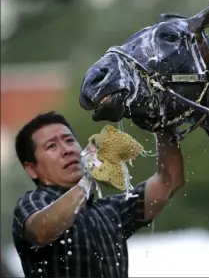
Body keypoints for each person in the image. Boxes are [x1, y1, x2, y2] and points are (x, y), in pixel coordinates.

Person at [12, 111, 185, 278]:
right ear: (31, 169)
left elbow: (169, 182)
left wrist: (163, 123)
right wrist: (87, 182)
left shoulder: (109, 211)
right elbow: (42, 230)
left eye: (69, 140)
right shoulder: (32, 202)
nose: (66, 150)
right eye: (51, 146)